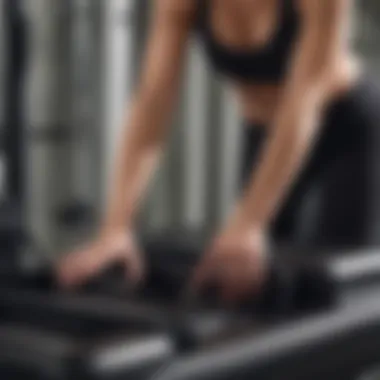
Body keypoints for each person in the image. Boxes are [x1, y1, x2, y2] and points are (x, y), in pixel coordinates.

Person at [57, 0, 380, 303]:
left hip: (346, 130)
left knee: (342, 291)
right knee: (249, 287)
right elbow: (153, 100)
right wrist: (116, 227)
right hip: (265, 137)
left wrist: (249, 222)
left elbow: (305, 100)